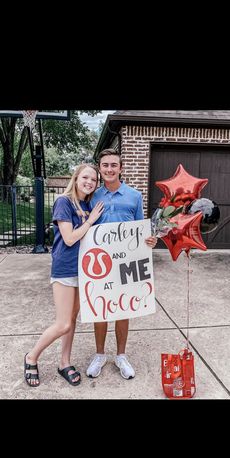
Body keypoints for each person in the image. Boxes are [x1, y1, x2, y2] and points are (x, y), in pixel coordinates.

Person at [24, 163, 104, 387]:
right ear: (76, 178)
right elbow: (69, 238)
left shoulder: (88, 204)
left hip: (84, 269)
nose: (89, 182)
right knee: (62, 324)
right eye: (86, 177)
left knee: (71, 320)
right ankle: (31, 357)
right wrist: (90, 221)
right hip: (65, 268)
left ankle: (64, 362)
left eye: (94, 180)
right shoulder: (64, 201)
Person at [86, 149, 157, 380]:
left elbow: (139, 229)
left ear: (121, 168)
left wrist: (149, 239)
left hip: (125, 262)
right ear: (100, 167)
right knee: (100, 308)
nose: (109, 169)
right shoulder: (92, 196)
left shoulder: (134, 196)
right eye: (105, 165)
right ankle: (99, 355)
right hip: (99, 262)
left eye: (113, 165)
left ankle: (121, 356)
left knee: (123, 308)